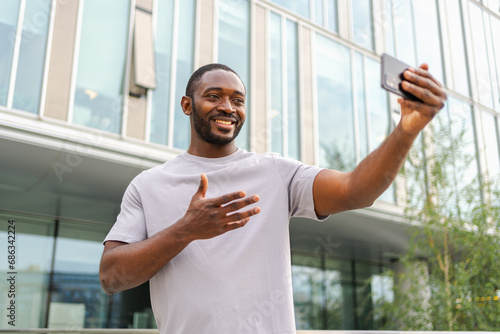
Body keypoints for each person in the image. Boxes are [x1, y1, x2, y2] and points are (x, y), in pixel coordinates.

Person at [99, 63, 446, 333]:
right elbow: (111, 277)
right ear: (187, 105)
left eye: (237, 100)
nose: (228, 107)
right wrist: (185, 230)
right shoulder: (149, 184)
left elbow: (357, 190)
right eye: (214, 96)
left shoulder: (275, 172)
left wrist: (407, 129)